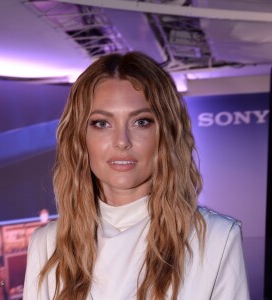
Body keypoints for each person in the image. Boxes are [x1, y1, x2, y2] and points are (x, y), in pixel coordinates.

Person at [23, 52, 250, 300]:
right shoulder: (47, 244)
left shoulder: (217, 238)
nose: (122, 141)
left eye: (141, 122)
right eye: (101, 123)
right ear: (79, 137)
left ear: (166, 134)